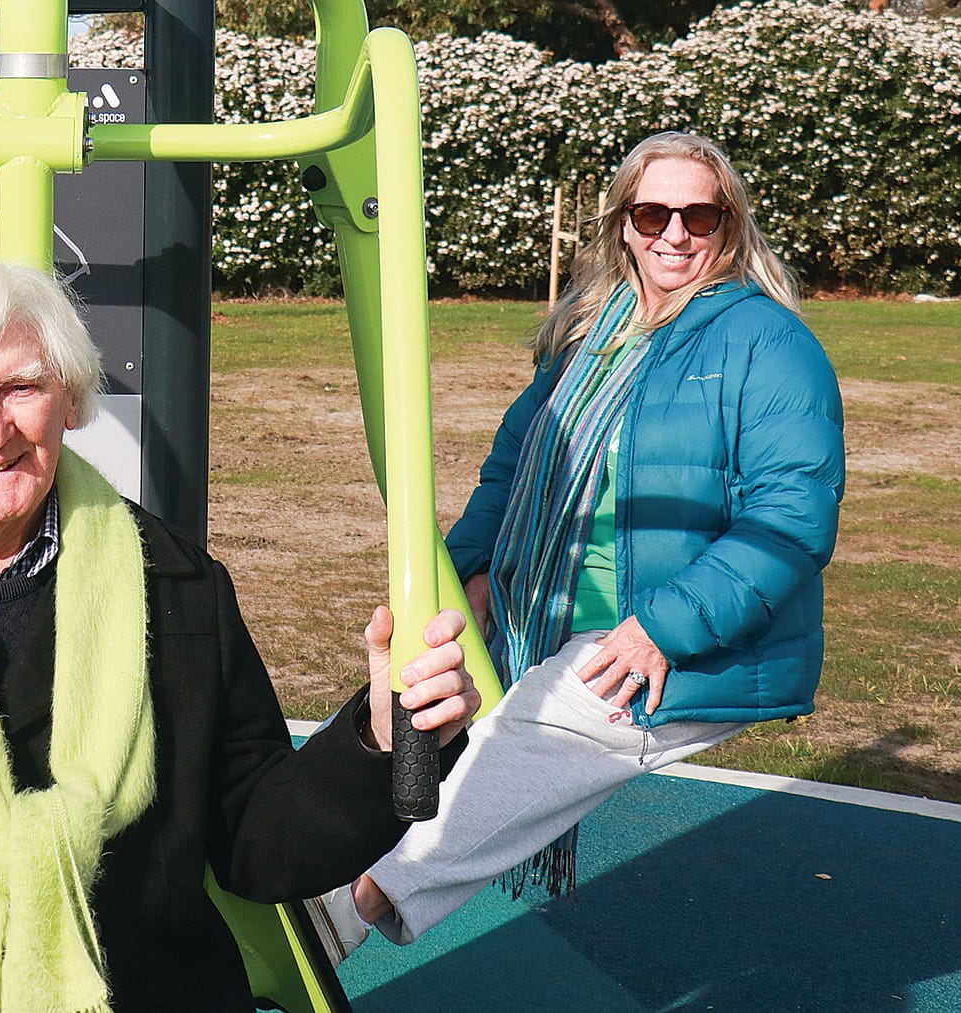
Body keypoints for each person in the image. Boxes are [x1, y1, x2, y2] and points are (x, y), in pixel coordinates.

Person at [0, 256, 481, 1012]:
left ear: (69, 398)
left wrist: (380, 741)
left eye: (21, 386)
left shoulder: (178, 587)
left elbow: (258, 836)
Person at [327, 131, 844, 952]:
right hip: (545, 602)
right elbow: (512, 470)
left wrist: (661, 627)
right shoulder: (591, 337)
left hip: (677, 638)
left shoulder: (767, 343)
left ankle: (342, 913)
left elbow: (791, 519)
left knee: (532, 726)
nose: (675, 234)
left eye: (699, 214)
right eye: (653, 211)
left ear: (731, 225)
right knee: (419, 682)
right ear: (623, 224)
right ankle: (299, 856)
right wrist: (473, 570)